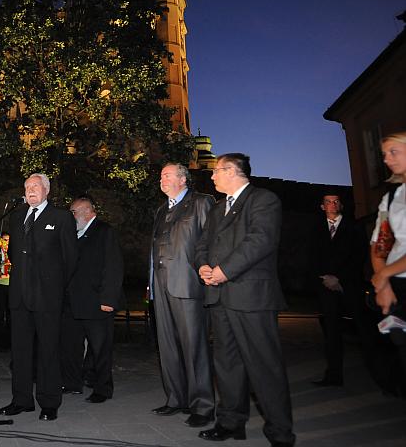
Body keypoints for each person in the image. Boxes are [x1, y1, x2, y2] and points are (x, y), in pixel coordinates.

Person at [195, 153, 295, 447]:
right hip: (219, 295)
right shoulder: (216, 210)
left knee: (264, 365)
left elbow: (260, 241)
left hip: (251, 295)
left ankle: (280, 432)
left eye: (216, 172)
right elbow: (202, 245)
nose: (212, 177)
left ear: (232, 171)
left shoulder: (263, 199)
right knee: (227, 364)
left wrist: (223, 271)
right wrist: (202, 266)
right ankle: (230, 422)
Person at [0, 173, 78, 422]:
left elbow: (71, 258)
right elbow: (13, 252)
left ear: (46, 190)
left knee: (48, 351)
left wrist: (55, 286)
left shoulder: (61, 217)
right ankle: (21, 400)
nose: (30, 190)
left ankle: (49, 402)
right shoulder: (16, 216)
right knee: (20, 351)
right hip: (20, 296)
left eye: (35, 186)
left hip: (48, 298)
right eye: (27, 187)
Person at [150, 163, 215, 426]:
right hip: (161, 284)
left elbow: (211, 241)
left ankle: (203, 405)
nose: (161, 179)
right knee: (167, 345)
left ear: (182, 179)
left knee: (194, 346)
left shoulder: (201, 202)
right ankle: (176, 399)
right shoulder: (160, 210)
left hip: (188, 284)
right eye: (161, 176)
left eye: (166, 175)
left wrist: (209, 275)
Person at [60, 196, 123, 404]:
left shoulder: (104, 231)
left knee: (100, 347)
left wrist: (109, 299)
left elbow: (113, 267)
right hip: (72, 302)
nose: (71, 216)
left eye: (74, 212)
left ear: (87, 211)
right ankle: (72, 382)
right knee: (71, 345)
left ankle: (102, 388)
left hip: (96, 301)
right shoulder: (73, 234)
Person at [310, 192, 367, 386]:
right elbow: (312, 256)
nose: (332, 204)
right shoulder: (316, 229)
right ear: (322, 206)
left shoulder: (354, 227)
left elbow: (360, 256)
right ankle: (334, 376)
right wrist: (324, 277)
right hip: (326, 287)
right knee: (332, 334)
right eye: (328, 202)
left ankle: (385, 377)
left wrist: (339, 278)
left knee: (364, 330)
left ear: (340, 205)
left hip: (350, 285)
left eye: (335, 201)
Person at [370, 131, 406, 376]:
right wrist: (384, 284)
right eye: (384, 154)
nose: (386, 159)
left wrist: (383, 276)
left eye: (394, 152)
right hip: (398, 284)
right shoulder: (392, 197)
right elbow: (380, 245)